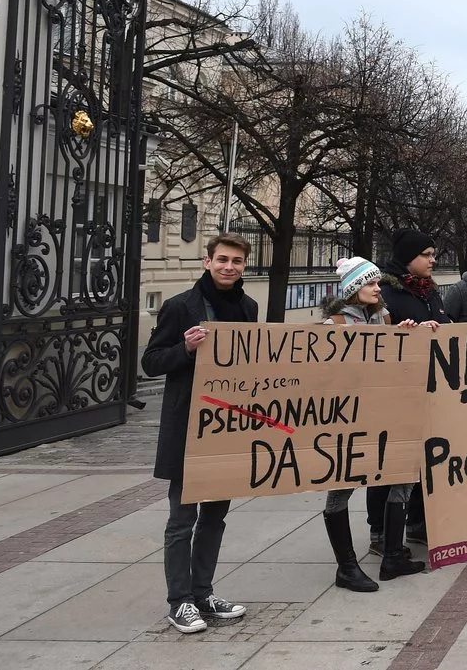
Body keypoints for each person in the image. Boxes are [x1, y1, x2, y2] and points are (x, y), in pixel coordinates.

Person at [142, 234, 255, 634]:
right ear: (207, 262)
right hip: (189, 428)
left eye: (237, 261)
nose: (229, 267)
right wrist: (185, 351)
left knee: (216, 516)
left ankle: (203, 592)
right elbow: (151, 362)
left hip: (227, 428)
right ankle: (180, 601)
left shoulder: (247, 307)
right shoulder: (179, 307)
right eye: (222, 259)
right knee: (182, 518)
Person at [320, 257, 424, 587]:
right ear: (353, 289)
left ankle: (392, 555)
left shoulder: (383, 318)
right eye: (370, 283)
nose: (378, 288)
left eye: (377, 283)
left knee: (403, 476)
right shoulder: (334, 326)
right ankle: (346, 567)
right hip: (350, 422)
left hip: (388, 414)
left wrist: (407, 335)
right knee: (341, 490)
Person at [377, 227, 442, 546]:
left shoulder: (429, 291)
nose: (433, 260)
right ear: (407, 259)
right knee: (387, 466)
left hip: (428, 389)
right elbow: (378, 342)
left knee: (422, 462)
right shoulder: (387, 294)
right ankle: (380, 533)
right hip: (396, 393)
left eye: (432, 254)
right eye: (426, 255)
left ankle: (416, 522)